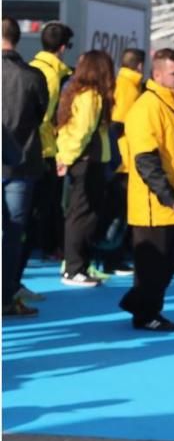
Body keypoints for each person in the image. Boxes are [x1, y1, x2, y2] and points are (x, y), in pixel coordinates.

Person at [118, 48, 174, 332]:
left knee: (168, 262)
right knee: (153, 264)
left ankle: (142, 305)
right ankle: (144, 311)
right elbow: (145, 157)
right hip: (157, 203)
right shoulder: (146, 107)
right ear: (157, 74)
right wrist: (165, 193)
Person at [54, 50, 116, 287]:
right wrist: (67, 159)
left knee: (81, 213)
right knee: (82, 215)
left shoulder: (76, 92)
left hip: (82, 159)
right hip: (86, 161)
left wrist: (65, 157)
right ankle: (73, 268)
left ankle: (77, 265)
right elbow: (82, 131)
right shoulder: (91, 96)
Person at [2, 17, 49, 315]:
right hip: (20, 161)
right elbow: (42, 113)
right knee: (12, 233)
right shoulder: (33, 76)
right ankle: (6, 296)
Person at [26, 22, 74, 265]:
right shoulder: (54, 76)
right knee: (46, 204)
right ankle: (49, 247)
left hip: (26, 146)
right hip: (45, 148)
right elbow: (47, 116)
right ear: (63, 48)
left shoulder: (31, 66)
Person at [101, 47, 146, 277]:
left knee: (116, 211)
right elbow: (118, 123)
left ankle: (111, 257)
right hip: (124, 159)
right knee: (118, 212)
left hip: (120, 157)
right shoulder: (130, 87)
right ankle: (112, 258)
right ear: (140, 65)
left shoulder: (123, 83)